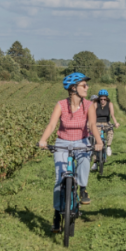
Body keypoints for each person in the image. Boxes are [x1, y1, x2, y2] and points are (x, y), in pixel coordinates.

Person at [38, 72, 104, 233]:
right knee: (59, 178)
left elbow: (93, 125)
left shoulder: (89, 105)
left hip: (82, 141)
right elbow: (52, 125)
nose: (87, 88)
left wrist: (99, 142)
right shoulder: (61, 105)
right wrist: (43, 140)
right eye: (84, 85)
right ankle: (56, 214)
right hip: (62, 141)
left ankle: (82, 188)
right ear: (73, 88)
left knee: (84, 160)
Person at [94, 89, 120, 157]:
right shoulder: (96, 104)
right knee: (96, 137)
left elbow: (112, 115)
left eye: (104, 99)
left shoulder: (110, 104)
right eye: (101, 99)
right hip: (97, 122)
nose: (103, 101)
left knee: (110, 131)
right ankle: (95, 158)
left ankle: (108, 146)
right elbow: (92, 114)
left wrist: (116, 123)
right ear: (99, 98)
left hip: (106, 122)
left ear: (107, 99)